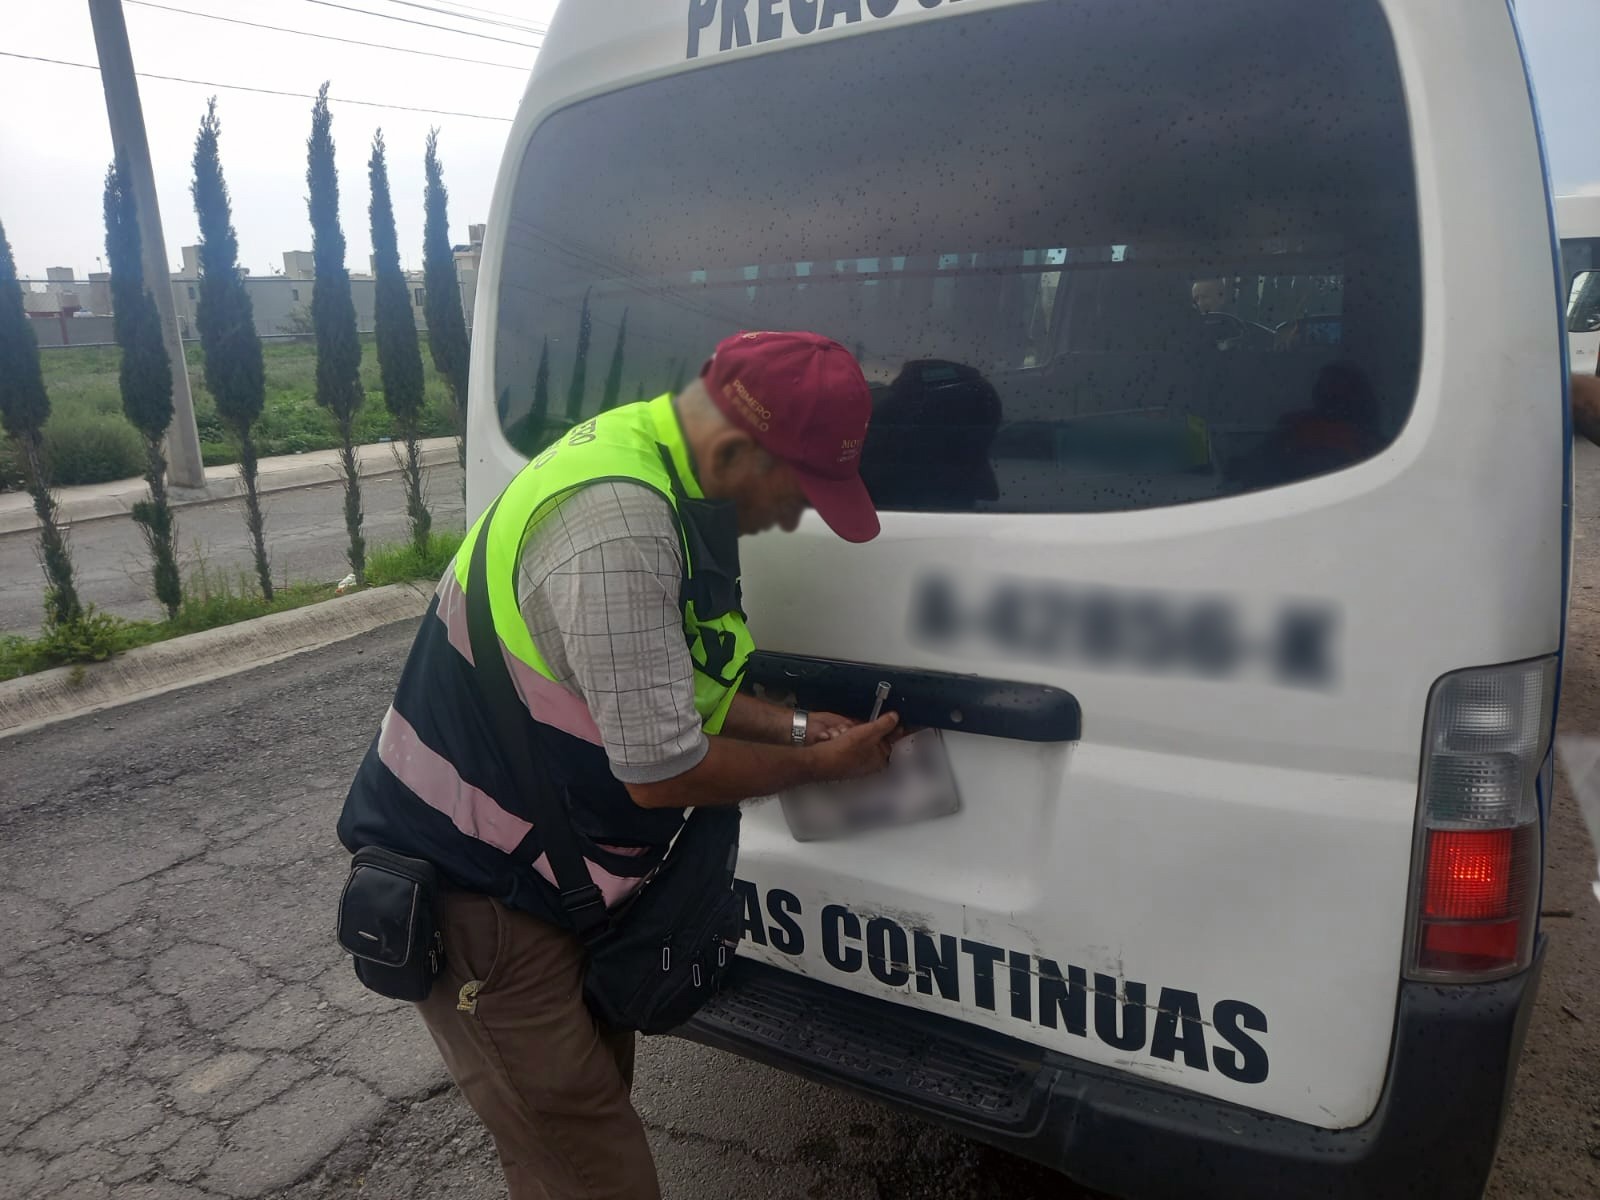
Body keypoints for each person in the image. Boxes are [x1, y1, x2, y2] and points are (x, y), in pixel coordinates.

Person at [337, 330, 903, 1200]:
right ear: (737, 451)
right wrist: (823, 769)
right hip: (480, 897)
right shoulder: (617, 527)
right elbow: (662, 769)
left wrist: (798, 729)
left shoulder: (660, 469)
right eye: (796, 492)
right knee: (593, 1170)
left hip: (548, 883)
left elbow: (666, 691)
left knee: (570, 1147)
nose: (793, 517)